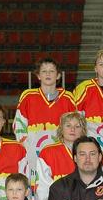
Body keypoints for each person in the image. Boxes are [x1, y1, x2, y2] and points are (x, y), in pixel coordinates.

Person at [13, 58, 77, 190]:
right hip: (33, 154)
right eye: (44, 71)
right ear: (38, 75)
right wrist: (27, 147)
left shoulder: (68, 98)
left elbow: (76, 126)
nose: (48, 74)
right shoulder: (28, 96)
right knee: (36, 189)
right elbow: (19, 125)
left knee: (61, 188)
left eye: (52, 71)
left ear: (58, 75)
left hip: (60, 155)